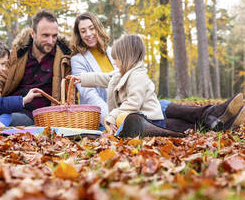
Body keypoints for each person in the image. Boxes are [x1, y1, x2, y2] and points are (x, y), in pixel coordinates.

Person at [71, 34, 244, 137]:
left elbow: (133, 103)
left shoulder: (136, 76)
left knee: (183, 128)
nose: (114, 62)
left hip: (153, 121)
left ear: (127, 58)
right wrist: (82, 79)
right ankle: (217, 119)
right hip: (150, 117)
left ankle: (218, 120)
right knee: (184, 124)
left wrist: (111, 115)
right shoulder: (121, 74)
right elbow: (104, 78)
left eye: (116, 58)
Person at [0, 9, 71, 126]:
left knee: (5, 119)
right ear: (33, 34)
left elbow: (71, 94)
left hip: (37, 115)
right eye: (45, 35)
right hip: (12, 105)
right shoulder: (18, 54)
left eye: (54, 36)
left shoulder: (64, 59)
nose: (50, 41)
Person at [70, 12, 115, 124]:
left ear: (98, 28)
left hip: (124, 108)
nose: (88, 34)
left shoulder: (113, 52)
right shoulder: (77, 60)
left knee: (163, 106)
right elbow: (89, 95)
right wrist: (110, 118)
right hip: (102, 115)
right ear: (79, 35)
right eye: (83, 31)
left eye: (91, 28)